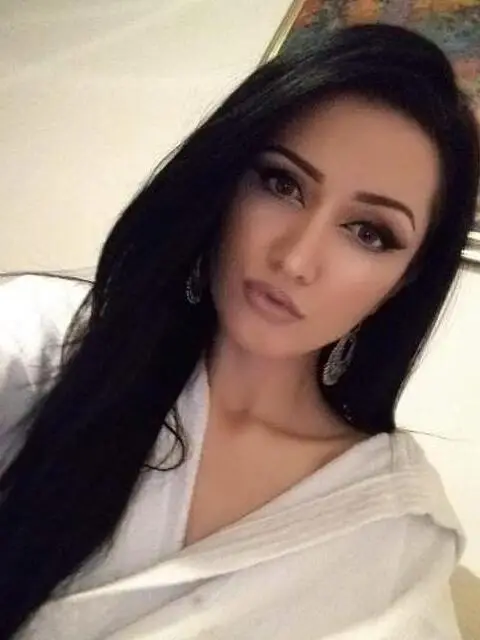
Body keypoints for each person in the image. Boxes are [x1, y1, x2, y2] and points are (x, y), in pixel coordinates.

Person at [0, 22, 479, 640]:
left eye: (368, 232)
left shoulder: (393, 537)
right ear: (226, 183)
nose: (296, 259)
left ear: (406, 278)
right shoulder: (41, 342)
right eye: (283, 184)